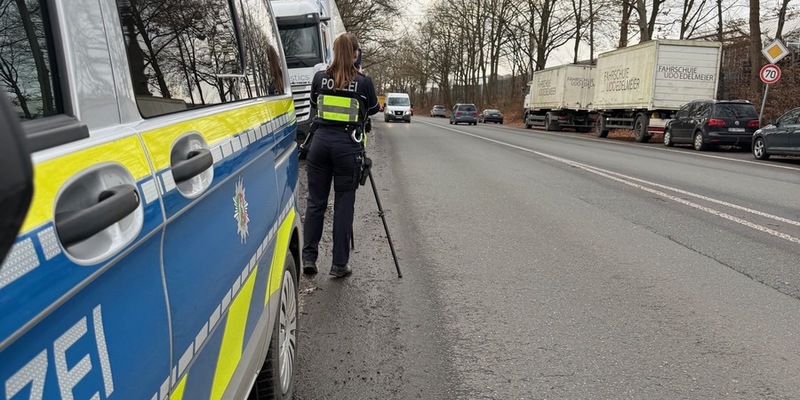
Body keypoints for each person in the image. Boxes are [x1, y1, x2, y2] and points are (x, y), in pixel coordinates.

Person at [302, 33, 379, 277]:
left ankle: (309, 257)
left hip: (320, 145)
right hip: (347, 148)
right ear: (356, 53)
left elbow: (315, 103)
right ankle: (339, 264)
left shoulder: (319, 77)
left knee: (316, 203)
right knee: (344, 205)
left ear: (334, 52)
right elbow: (374, 110)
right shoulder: (364, 82)